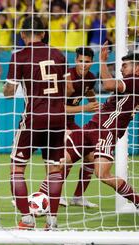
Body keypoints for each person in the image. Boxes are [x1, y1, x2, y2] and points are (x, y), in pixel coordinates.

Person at [4, 16, 68, 230]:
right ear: (44, 33)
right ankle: (52, 221)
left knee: (17, 168)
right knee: (54, 169)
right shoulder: (59, 55)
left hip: (35, 117)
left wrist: (9, 85)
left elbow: (9, 93)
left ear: (23, 34)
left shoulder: (19, 56)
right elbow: (67, 88)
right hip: (59, 117)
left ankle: (27, 219)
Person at [66, 42, 139, 210]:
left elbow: (107, 85)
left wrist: (102, 61)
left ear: (137, 69)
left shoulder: (135, 81)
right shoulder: (131, 82)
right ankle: (46, 200)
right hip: (92, 126)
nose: (121, 70)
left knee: (103, 174)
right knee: (62, 160)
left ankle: (136, 199)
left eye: (125, 66)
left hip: (105, 132)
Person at [59, 47, 99, 208]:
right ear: (75, 61)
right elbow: (57, 108)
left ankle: (78, 197)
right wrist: (85, 108)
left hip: (70, 123)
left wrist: (97, 105)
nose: (83, 65)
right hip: (56, 123)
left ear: (92, 62)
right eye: (80, 61)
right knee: (67, 158)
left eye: (87, 62)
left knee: (90, 155)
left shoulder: (90, 78)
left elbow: (90, 94)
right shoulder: (67, 78)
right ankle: (56, 195)